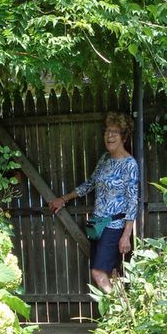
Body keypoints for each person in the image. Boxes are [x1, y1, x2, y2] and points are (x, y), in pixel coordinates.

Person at [49, 112, 139, 293]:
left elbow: (132, 201)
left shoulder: (130, 164)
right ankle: (121, 316)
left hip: (115, 226)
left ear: (124, 136)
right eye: (107, 131)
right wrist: (64, 199)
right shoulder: (105, 159)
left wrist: (125, 235)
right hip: (98, 226)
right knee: (112, 273)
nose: (109, 136)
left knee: (98, 272)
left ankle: (116, 308)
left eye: (115, 132)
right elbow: (90, 184)